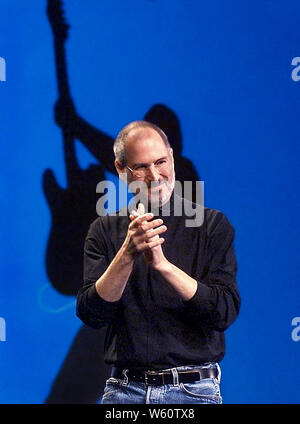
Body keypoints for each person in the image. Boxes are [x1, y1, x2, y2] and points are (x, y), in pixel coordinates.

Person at [76, 120, 240, 404]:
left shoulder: (212, 225)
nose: (154, 175)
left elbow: (224, 312)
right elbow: (92, 314)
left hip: (193, 391)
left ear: (172, 158)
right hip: (125, 390)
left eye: (161, 162)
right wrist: (127, 254)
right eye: (140, 167)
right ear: (120, 170)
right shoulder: (103, 230)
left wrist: (163, 266)